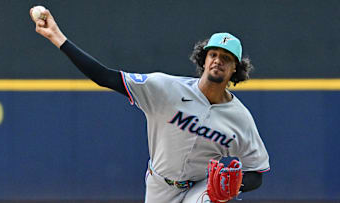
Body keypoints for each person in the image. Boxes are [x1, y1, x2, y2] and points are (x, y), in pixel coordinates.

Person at [30, 7, 270, 203]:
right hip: (159, 184)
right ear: (204, 59)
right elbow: (104, 76)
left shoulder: (240, 118)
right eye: (213, 54)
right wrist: (57, 37)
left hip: (201, 187)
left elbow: (257, 172)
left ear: (235, 69)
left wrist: (236, 186)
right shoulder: (165, 89)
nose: (218, 60)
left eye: (225, 58)